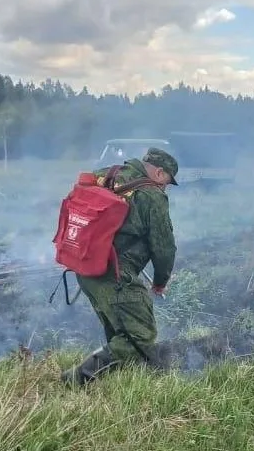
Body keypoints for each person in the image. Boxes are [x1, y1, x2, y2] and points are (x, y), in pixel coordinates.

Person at [61, 147, 179, 386]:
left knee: (119, 330)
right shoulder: (151, 195)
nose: (165, 188)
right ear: (159, 172)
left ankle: (130, 382)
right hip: (114, 274)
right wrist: (160, 282)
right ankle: (76, 379)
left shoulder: (106, 174)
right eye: (166, 182)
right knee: (140, 336)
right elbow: (164, 247)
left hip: (86, 268)